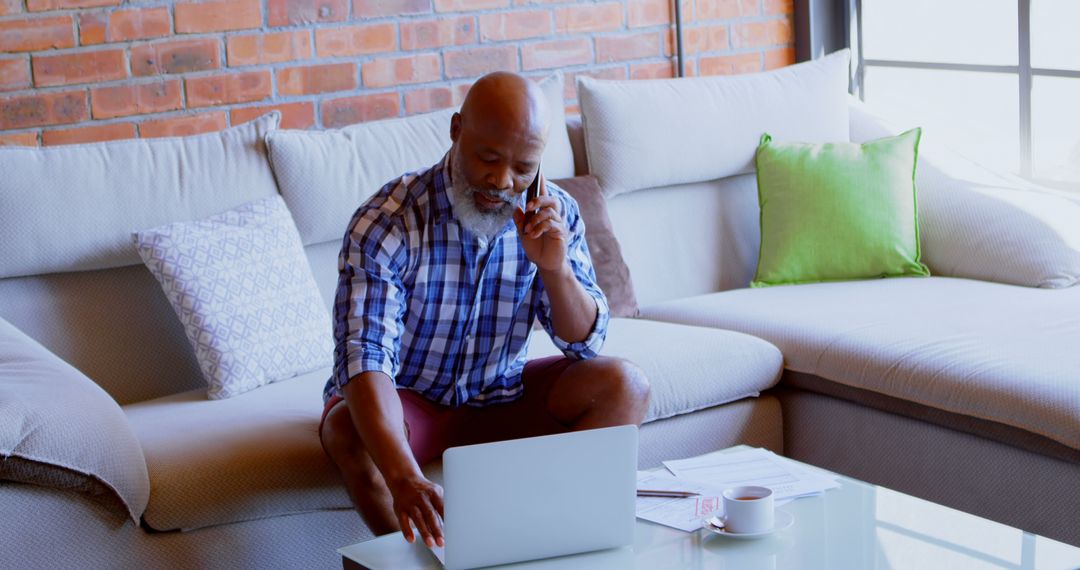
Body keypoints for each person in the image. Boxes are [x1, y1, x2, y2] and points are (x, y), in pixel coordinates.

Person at [318, 71, 651, 549]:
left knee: (625, 386)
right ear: (456, 130)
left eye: (523, 167)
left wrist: (555, 271)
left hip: (501, 395)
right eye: (488, 158)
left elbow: (584, 344)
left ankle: (545, 543)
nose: (501, 181)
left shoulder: (554, 213)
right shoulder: (388, 221)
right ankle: (430, 561)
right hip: (411, 404)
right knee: (348, 431)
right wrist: (405, 478)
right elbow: (364, 356)